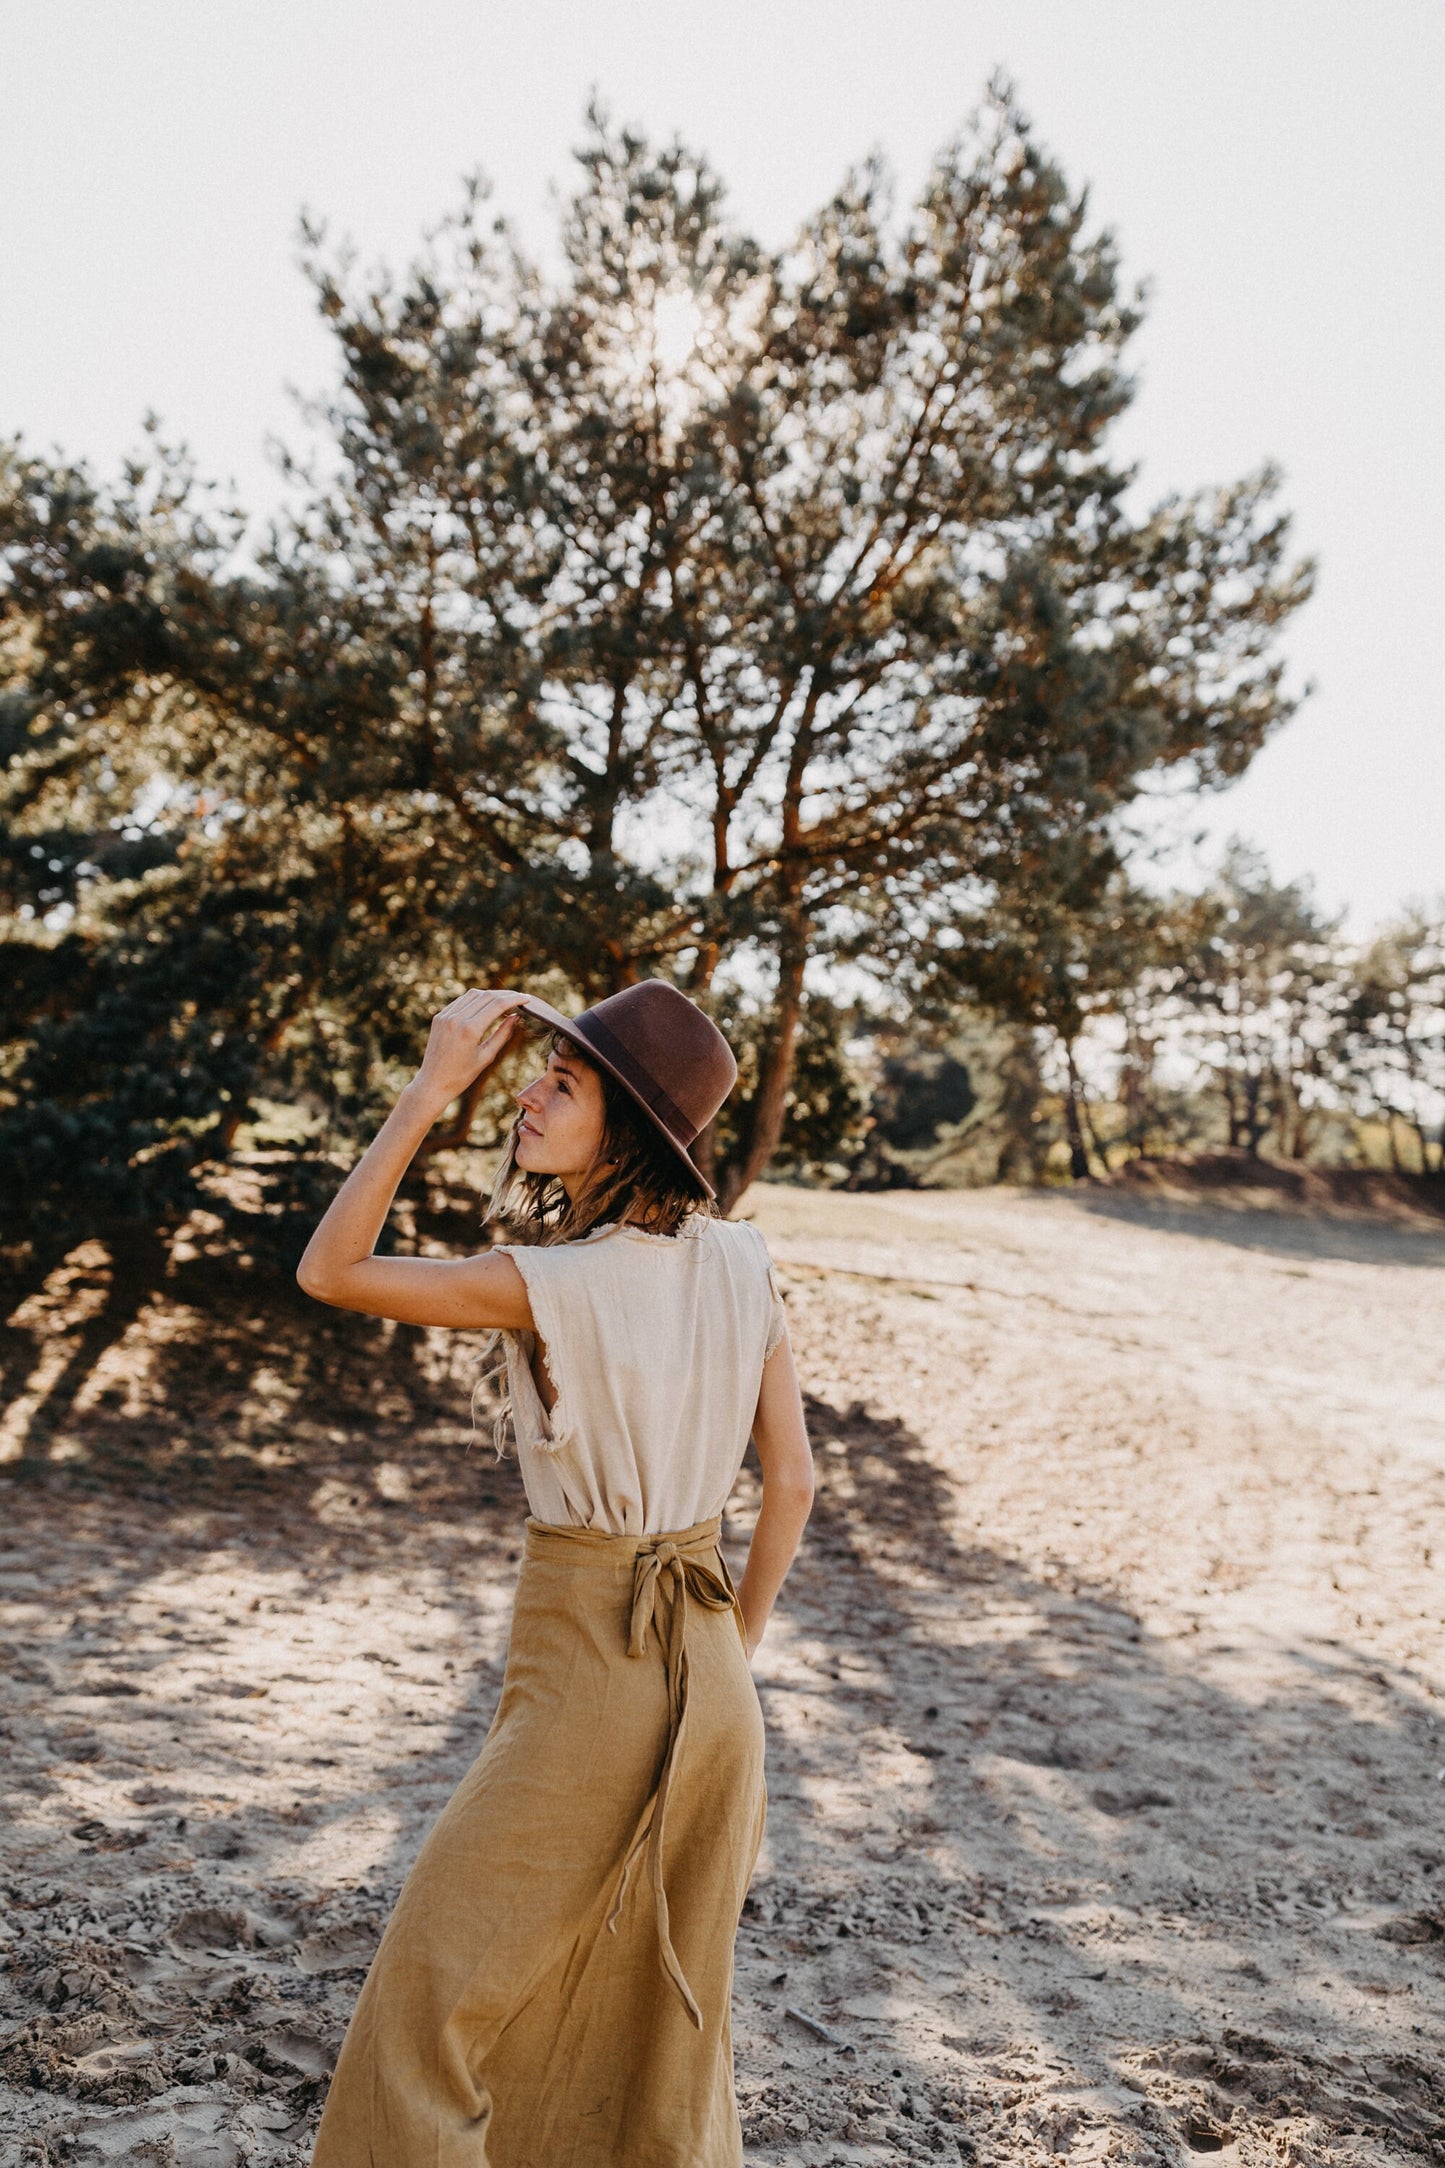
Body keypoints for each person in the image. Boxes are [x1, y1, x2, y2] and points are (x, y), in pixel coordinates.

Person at [295, 980, 814, 2167]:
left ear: (624, 1128)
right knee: (652, 2026)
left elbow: (331, 1270)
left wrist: (431, 1090)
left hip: (590, 1671)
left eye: (562, 1082)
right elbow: (788, 1485)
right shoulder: (742, 1261)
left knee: (425, 2006)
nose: (529, 1092)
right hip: (713, 1678)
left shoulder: (548, 1280)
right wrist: (726, 1654)